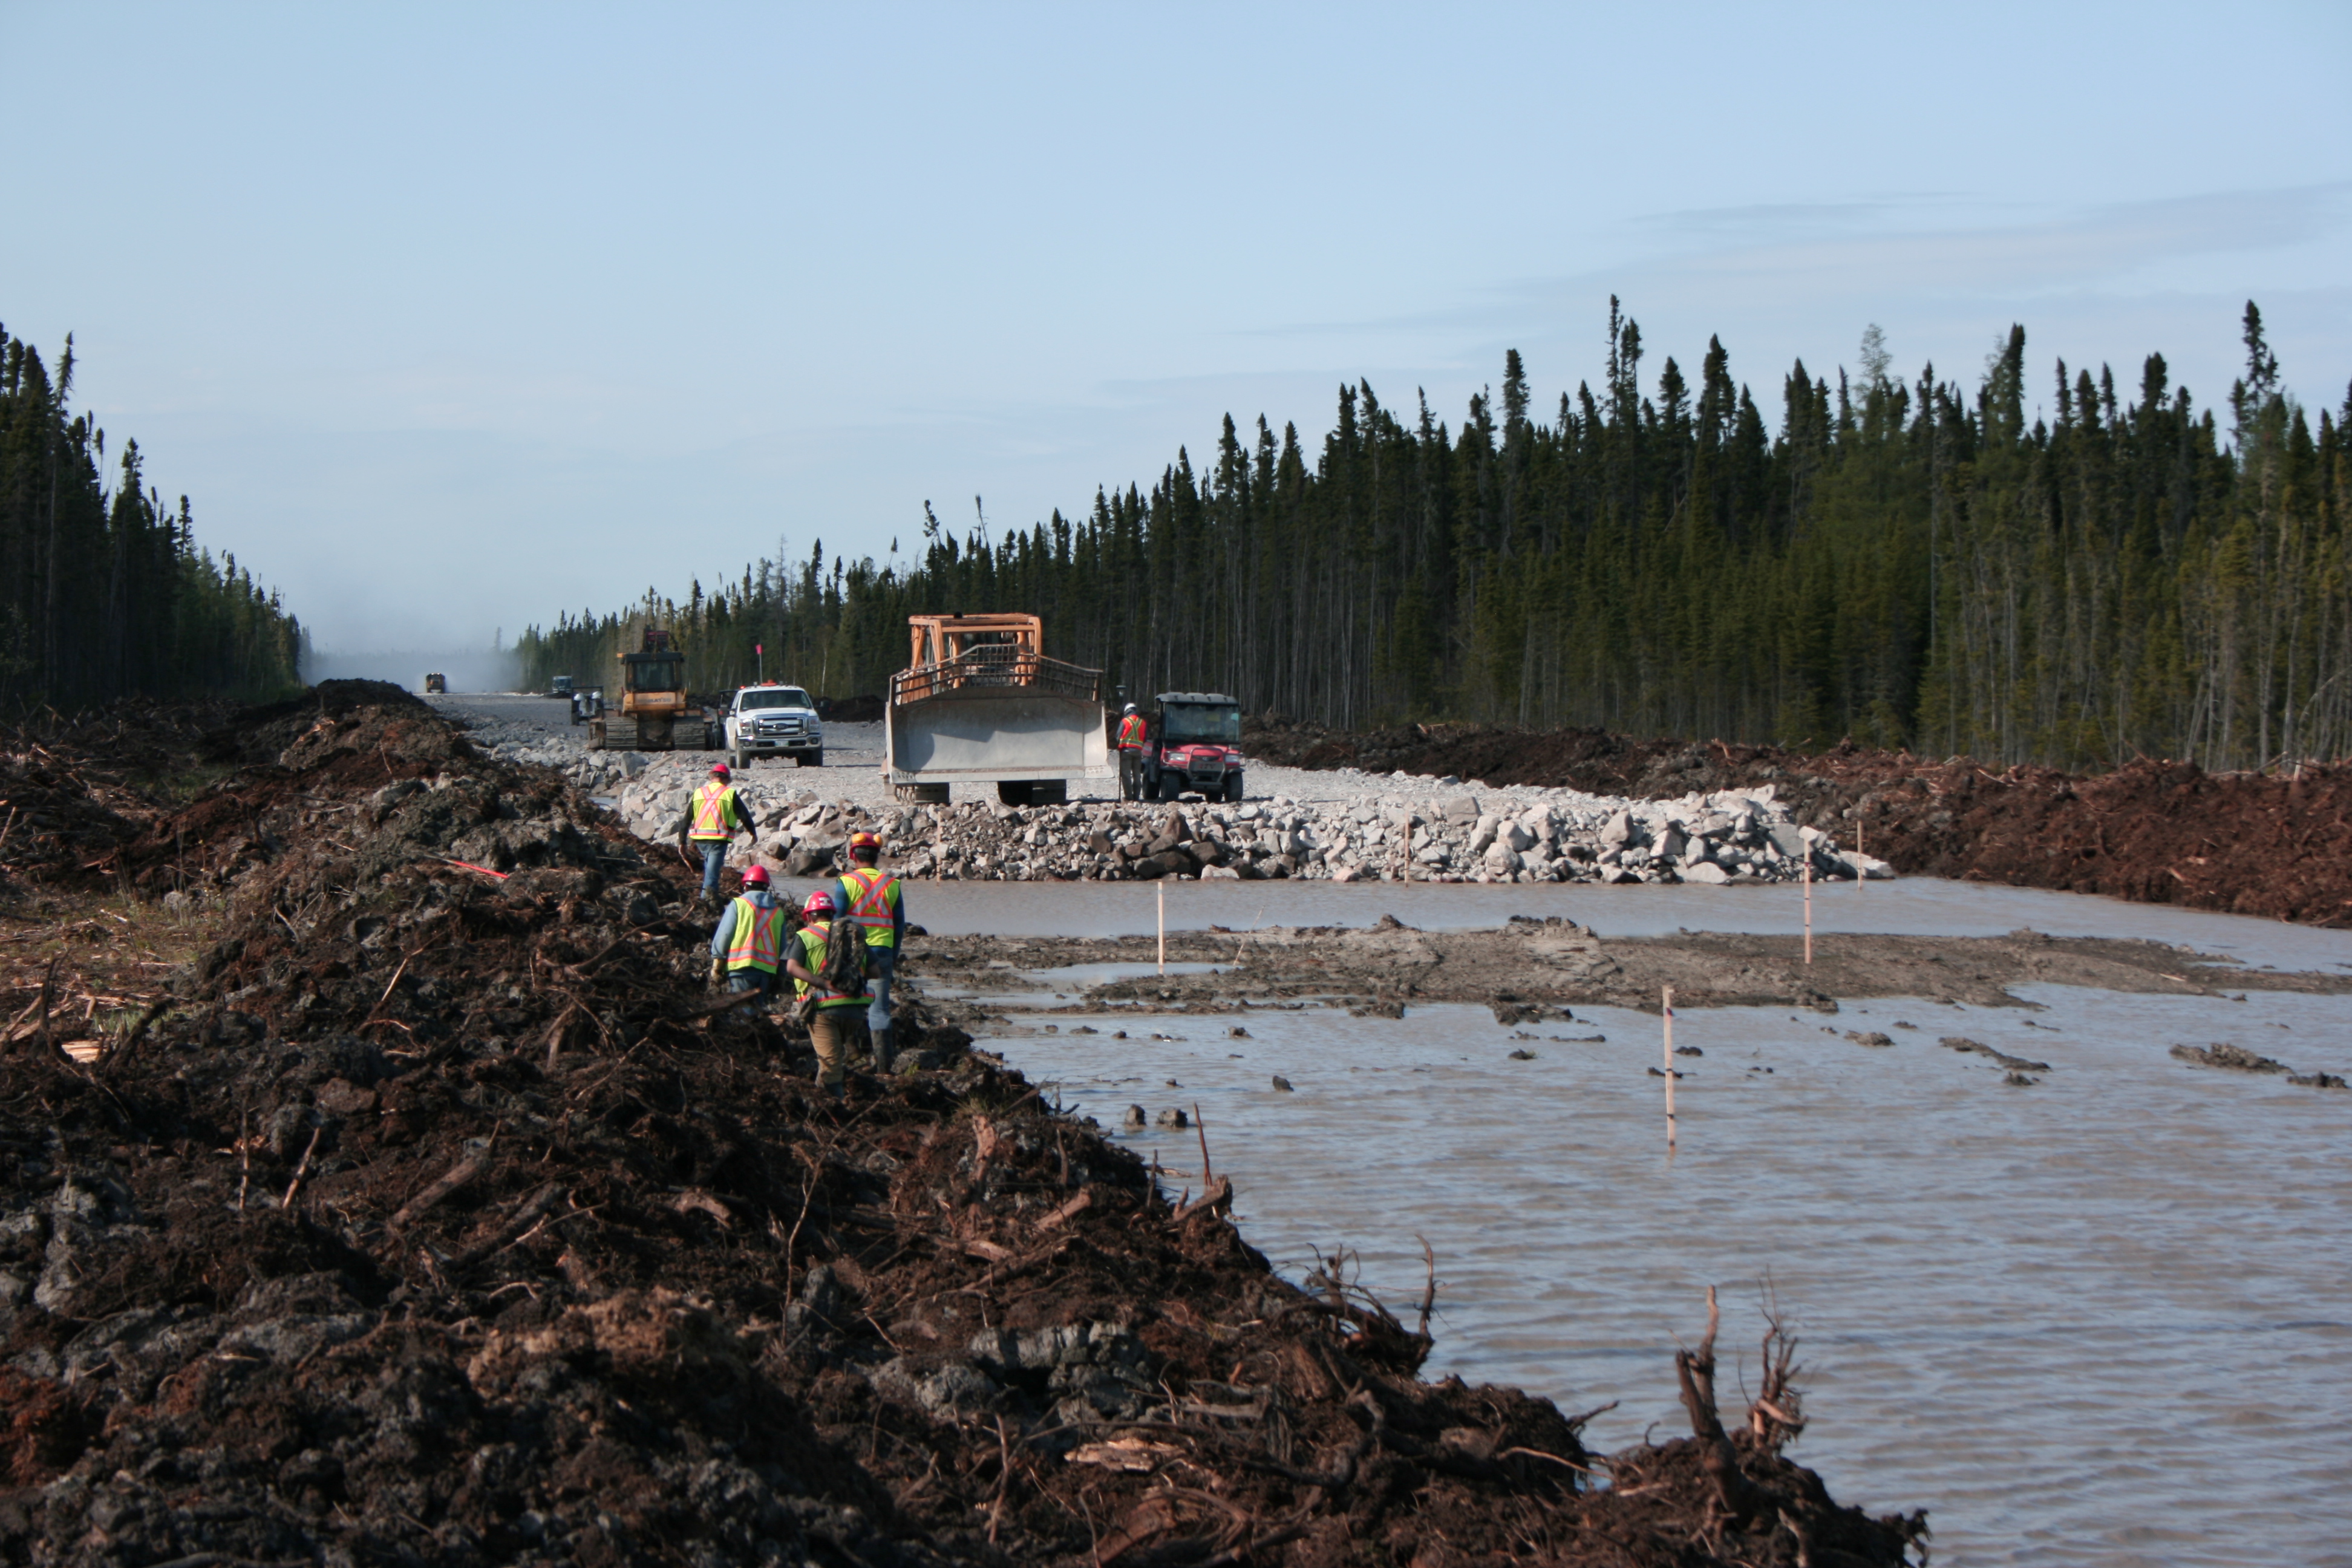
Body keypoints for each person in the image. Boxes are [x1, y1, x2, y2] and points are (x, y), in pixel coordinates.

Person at [831, 829, 906, 1071]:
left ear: (854, 856)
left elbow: (837, 921)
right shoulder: (892, 885)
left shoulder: (846, 882)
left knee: (844, 1002)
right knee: (880, 1009)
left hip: (852, 953)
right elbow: (899, 924)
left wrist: (831, 954)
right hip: (882, 952)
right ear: (877, 856)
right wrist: (894, 955)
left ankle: (852, 1057)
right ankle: (884, 1067)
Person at [783, 888, 867, 1097]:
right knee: (833, 1058)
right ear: (832, 914)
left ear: (810, 917)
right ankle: (850, 1052)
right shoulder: (851, 934)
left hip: (823, 1010)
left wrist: (824, 983)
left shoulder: (806, 935)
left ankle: (833, 1109)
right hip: (855, 1009)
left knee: (830, 1068)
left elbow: (792, 968)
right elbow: (875, 970)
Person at [677, 762, 756, 904]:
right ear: (726, 779)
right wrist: (753, 833)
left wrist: (682, 842)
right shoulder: (729, 793)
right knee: (712, 874)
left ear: (712, 777)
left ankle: (707, 899)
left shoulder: (699, 793)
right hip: (718, 840)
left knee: (710, 870)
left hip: (699, 840)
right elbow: (744, 816)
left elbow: (687, 819)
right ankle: (707, 903)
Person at [707, 864, 786, 1003]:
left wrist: (717, 964)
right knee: (758, 1014)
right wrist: (781, 975)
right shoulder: (778, 913)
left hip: (740, 969)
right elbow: (783, 949)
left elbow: (724, 936)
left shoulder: (739, 904)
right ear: (766, 888)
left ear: (746, 886)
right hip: (766, 972)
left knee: (742, 1013)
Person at [1116, 702, 1148, 801]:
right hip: (1138, 752)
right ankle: (1137, 797)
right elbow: (1145, 738)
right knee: (1137, 775)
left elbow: (1118, 736)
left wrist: (1120, 745)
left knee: (1126, 775)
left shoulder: (1125, 721)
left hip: (1126, 751)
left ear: (1127, 711)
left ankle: (1129, 797)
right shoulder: (1143, 722)